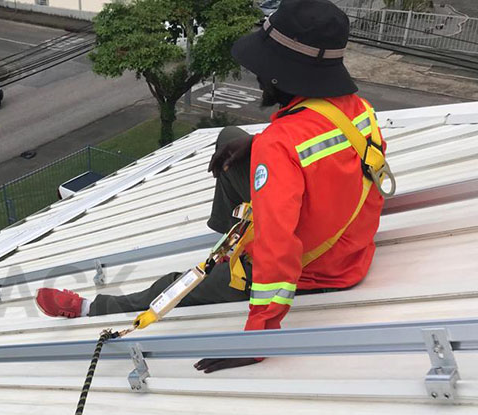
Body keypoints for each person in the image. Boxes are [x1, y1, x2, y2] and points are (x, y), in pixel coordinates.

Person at [34, 0, 389, 373]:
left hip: (317, 270)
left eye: (261, 69)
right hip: (348, 247)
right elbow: (350, 170)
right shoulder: (357, 110)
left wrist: (257, 339)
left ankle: (90, 308)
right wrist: (257, 146)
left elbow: (279, 246)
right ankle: (226, 237)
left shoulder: (280, 145)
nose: (255, 76)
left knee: (174, 285)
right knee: (231, 138)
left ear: (279, 75)